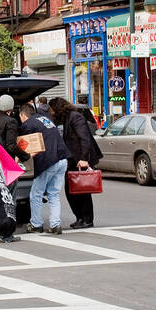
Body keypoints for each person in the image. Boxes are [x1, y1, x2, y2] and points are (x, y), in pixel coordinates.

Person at [18, 103, 70, 235]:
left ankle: (36, 224)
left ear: (23, 115)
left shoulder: (28, 124)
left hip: (48, 161)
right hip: (62, 158)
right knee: (53, 193)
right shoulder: (45, 119)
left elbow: (23, 144)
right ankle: (55, 224)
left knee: (36, 193)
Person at [49, 97, 99, 230]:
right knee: (70, 190)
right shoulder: (62, 118)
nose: (51, 112)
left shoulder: (76, 117)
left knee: (82, 190)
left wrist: (84, 158)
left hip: (79, 158)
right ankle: (79, 217)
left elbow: (84, 138)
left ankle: (87, 219)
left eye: (52, 109)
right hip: (69, 159)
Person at [0, 95, 27, 244]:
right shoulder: (11, 121)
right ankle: (6, 233)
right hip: (5, 164)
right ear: (11, 108)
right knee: (9, 199)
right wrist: (25, 156)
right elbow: (10, 145)